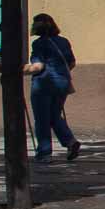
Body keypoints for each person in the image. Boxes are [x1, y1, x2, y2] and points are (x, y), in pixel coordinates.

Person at [24, 14, 80, 163]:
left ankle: (44, 154)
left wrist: (21, 70)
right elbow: (72, 63)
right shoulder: (63, 41)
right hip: (62, 83)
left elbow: (38, 66)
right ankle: (70, 142)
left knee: (42, 119)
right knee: (54, 115)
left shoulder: (39, 44)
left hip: (44, 84)